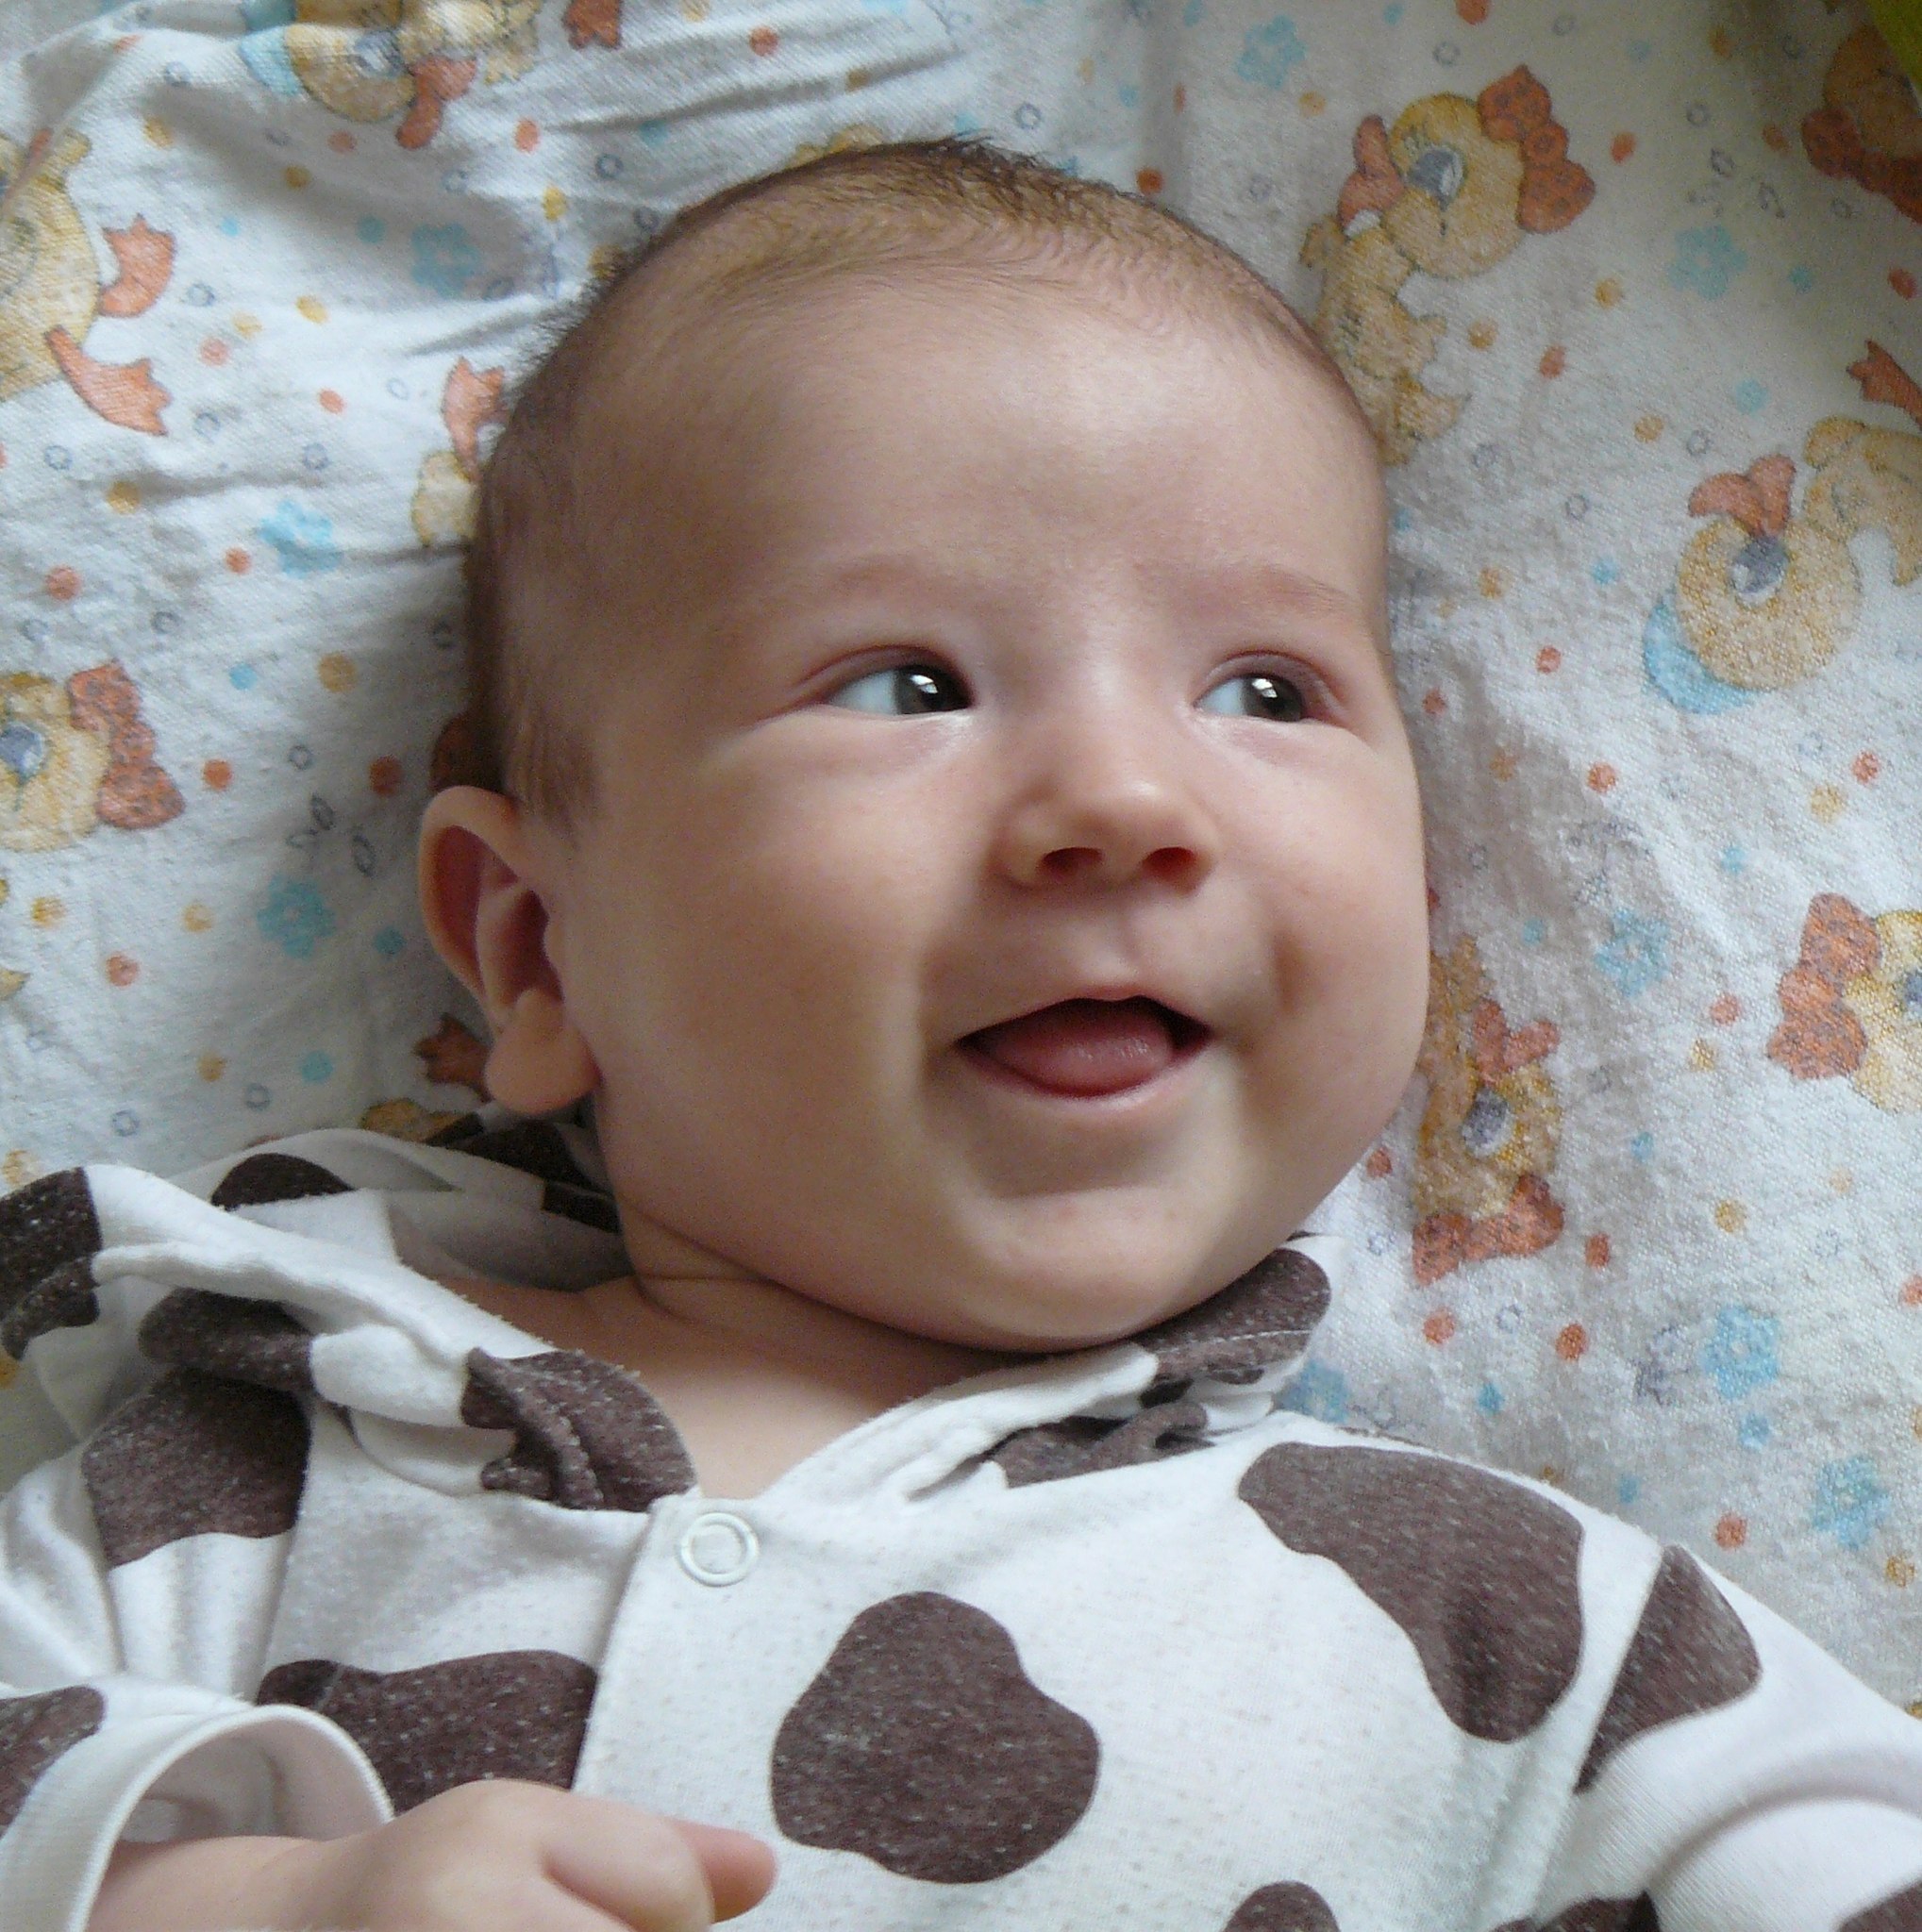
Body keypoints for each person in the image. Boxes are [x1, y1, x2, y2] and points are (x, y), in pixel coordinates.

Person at [2, 138, 1918, 1932]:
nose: (1121, 798)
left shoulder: (1508, 1627)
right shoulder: (231, 1473)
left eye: (1263, 690)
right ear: (536, 952)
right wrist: (257, 1898)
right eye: (906, 685)